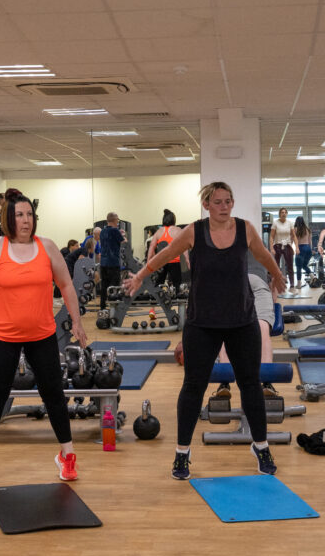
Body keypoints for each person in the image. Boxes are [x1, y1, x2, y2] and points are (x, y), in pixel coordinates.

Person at [123, 181, 287, 481]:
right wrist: (140, 276)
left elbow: (263, 254)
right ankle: (182, 454)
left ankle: (261, 446)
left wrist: (277, 275)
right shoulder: (194, 232)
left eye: (228, 201)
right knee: (193, 387)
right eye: (218, 202)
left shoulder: (245, 229)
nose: (224, 207)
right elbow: (164, 253)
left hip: (242, 322)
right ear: (207, 205)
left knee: (251, 385)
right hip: (202, 324)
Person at [0, 188, 88, 487]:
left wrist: (77, 322)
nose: (26, 220)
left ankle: (67, 455)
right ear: (9, 218)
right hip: (3, 337)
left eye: (30, 214)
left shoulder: (47, 247)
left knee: (54, 395)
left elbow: (67, 285)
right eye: (20, 214)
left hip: (41, 335)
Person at [215, 252, 279, 400]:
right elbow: (275, 276)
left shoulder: (226, 247)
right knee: (262, 329)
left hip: (233, 285)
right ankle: (267, 383)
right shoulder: (262, 249)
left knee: (225, 332)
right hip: (258, 283)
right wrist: (274, 299)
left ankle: (224, 383)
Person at [147, 210, 184, 290]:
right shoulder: (177, 230)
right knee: (177, 285)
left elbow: (151, 248)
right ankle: (177, 298)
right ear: (173, 220)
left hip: (161, 262)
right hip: (174, 261)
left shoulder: (158, 232)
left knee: (158, 285)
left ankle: (156, 300)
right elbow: (185, 249)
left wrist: (149, 263)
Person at [98, 213, 126, 310]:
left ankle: (102, 306)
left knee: (104, 285)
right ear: (115, 220)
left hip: (103, 263)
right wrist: (124, 235)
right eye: (117, 220)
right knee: (114, 285)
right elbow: (124, 242)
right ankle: (115, 307)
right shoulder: (115, 231)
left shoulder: (102, 232)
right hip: (113, 262)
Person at [270, 207, 297, 292]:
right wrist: (271, 248)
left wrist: (297, 247)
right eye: (282, 212)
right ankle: (276, 284)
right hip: (277, 245)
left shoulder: (290, 223)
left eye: (285, 212)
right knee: (276, 266)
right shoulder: (275, 223)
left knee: (290, 266)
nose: (284, 214)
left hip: (287, 245)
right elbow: (271, 236)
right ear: (279, 214)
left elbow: (294, 235)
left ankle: (292, 285)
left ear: (287, 214)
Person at [293, 216, 312, 288]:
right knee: (304, 265)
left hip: (300, 248)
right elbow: (310, 241)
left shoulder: (295, 229)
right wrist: (311, 249)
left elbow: (295, 240)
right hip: (308, 249)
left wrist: (296, 248)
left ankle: (299, 284)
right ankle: (313, 277)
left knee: (298, 267)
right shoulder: (307, 229)